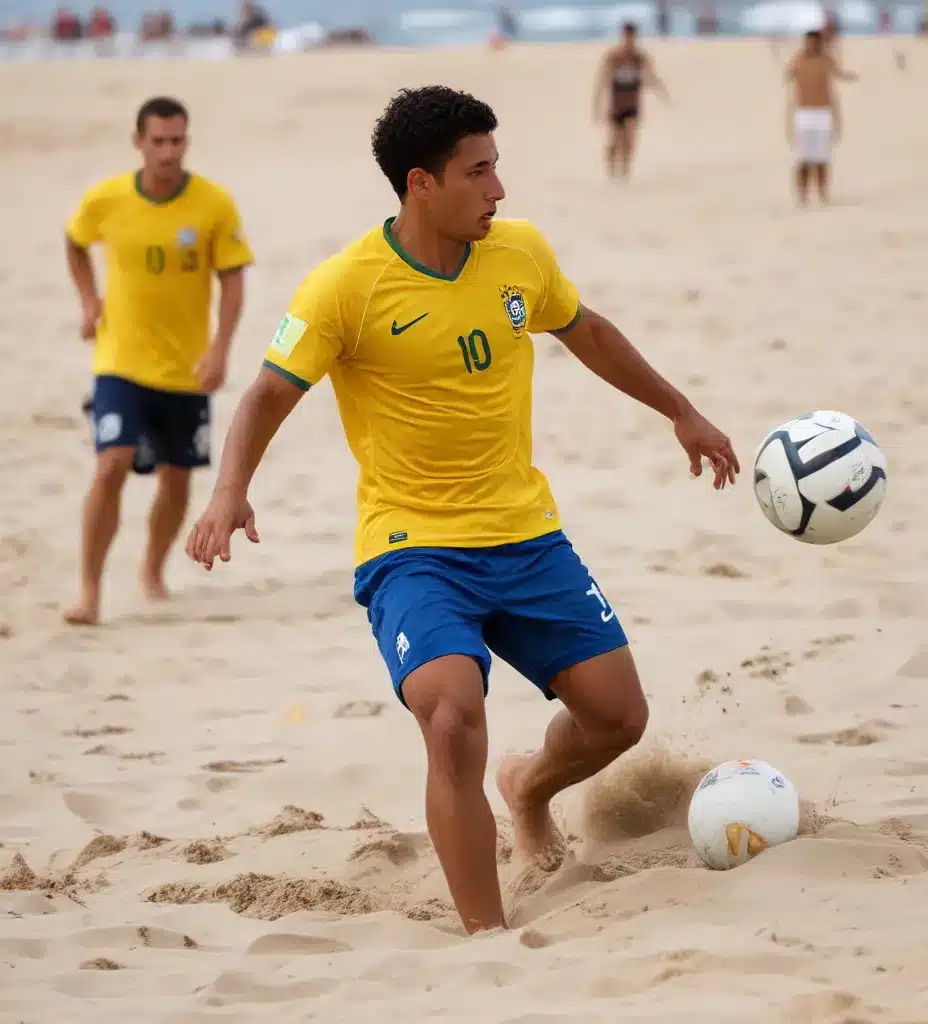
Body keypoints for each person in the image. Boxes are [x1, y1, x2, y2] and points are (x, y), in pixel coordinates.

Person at [184, 85, 738, 936]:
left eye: (497, 167)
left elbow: (586, 331)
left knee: (620, 719)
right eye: (478, 172)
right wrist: (229, 491)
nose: (499, 190)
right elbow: (263, 394)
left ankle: (528, 785)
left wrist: (680, 411)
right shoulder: (343, 287)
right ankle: (489, 940)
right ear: (421, 184)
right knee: (450, 719)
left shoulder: (518, 255)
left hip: (525, 535)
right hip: (415, 550)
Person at [64, 96, 253, 625]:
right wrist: (89, 300)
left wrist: (220, 348)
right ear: (139, 142)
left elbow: (233, 279)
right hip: (119, 361)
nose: (169, 152)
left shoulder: (213, 204)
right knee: (112, 464)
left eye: (178, 141)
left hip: (186, 369)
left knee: (176, 480)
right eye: (159, 141)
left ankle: (151, 570)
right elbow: (75, 242)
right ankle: (90, 590)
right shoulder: (106, 199)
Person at [785, 29, 858, 205]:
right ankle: (802, 195)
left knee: (822, 158)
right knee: (803, 158)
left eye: (813, 42)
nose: (809, 45)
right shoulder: (798, 60)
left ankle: (822, 193)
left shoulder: (826, 60)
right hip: (803, 113)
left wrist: (837, 119)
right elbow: (789, 79)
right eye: (807, 42)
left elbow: (838, 75)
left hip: (822, 113)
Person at [593, 22, 669, 180]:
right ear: (623, 36)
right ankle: (611, 169)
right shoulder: (613, 57)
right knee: (615, 140)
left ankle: (625, 171)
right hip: (616, 106)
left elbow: (649, 76)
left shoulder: (640, 57)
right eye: (627, 37)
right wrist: (597, 104)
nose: (629, 40)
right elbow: (602, 80)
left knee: (630, 140)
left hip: (633, 105)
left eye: (632, 37)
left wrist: (661, 90)